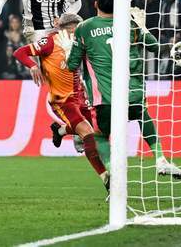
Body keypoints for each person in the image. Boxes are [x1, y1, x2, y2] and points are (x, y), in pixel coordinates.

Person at [63, 0, 181, 179]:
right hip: (133, 92)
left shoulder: (84, 28)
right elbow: (154, 46)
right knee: (143, 117)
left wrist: (68, 50)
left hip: (105, 98)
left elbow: (71, 66)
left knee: (100, 135)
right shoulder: (129, 24)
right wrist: (142, 26)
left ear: (95, 4)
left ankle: (113, 172)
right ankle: (160, 159)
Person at [13, 13, 109, 192]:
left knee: (97, 132)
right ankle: (106, 179)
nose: (80, 32)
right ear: (68, 29)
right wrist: (33, 66)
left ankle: (60, 130)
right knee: (87, 133)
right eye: (77, 29)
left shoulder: (80, 42)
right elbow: (20, 52)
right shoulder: (50, 42)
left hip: (80, 95)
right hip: (62, 100)